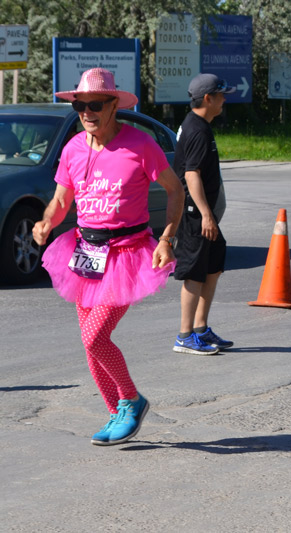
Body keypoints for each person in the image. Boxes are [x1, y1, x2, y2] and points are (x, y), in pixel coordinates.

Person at [32, 68, 184, 446]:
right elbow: (62, 199)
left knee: (97, 336)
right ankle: (116, 411)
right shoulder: (73, 149)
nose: (87, 112)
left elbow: (176, 191)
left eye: (95, 105)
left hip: (127, 254)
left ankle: (131, 400)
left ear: (114, 104)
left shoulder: (139, 145)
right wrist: (46, 222)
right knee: (89, 342)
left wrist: (168, 238)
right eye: (80, 105)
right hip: (85, 252)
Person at [172, 73, 236, 356]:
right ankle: (185, 336)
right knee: (194, 273)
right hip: (195, 213)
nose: (224, 100)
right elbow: (191, 174)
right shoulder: (197, 130)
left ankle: (201, 328)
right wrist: (206, 215)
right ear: (208, 98)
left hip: (202, 213)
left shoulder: (199, 125)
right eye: (221, 95)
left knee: (214, 264)